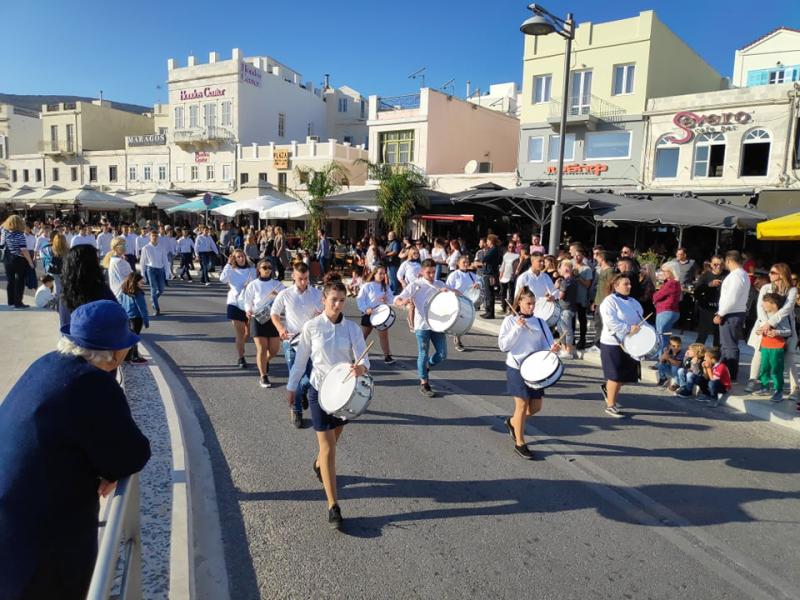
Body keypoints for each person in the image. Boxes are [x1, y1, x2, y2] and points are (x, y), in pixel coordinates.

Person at [0, 300, 150, 600]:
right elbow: (133, 452)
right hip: (41, 537)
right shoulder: (92, 384)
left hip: (12, 515)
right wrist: (111, 469)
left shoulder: (48, 363)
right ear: (114, 354)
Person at [286, 279, 368, 530]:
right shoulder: (312, 327)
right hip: (319, 392)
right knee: (329, 447)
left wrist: (361, 368)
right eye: (333, 300)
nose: (338, 304)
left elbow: (364, 358)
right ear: (323, 300)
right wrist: (292, 387)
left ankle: (318, 463)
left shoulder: (352, 328)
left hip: (343, 394)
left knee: (334, 438)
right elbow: (301, 360)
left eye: (342, 300)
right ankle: (333, 506)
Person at [498, 287, 560, 459]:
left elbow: (546, 344)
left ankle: (512, 422)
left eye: (533, 304)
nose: (532, 307)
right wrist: (517, 328)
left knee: (536, 407)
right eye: (528, 304)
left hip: (535, 369)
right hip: (516, 368)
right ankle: (520, 443)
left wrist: (553, 348)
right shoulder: (510, 321)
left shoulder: (540, 322)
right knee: (522, 406)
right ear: (519, 303)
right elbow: (503, 346)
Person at [271, 263, 323, 426]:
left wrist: (321, 314)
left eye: (306, 278)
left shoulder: (317, 294)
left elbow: (325, 314)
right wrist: (280, 329)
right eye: (300, 278)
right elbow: (274, 313)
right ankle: (296, 410)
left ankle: (300, 392)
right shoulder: (285, 294)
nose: (303, 282)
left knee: (312, 376)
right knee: (295, 375)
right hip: (292, 342)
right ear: (293, 276)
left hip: (313, 342)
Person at [395, 259, 449, 397]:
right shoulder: (415, 285)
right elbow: (397, 300)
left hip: (438, 324)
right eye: (428, 272)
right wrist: (403, 301)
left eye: (433, 272)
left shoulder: (440, 284)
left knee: (442, 354)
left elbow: (452, 294)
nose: (431, 275)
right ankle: (424, 383)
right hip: (421, 325)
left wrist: (452, 292)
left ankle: (427, 365)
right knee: (423, 353)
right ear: (422, 271)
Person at [745, 263, 799, 400]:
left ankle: (795, 388)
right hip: (764, 326)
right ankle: (754, 380)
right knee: (759, 353)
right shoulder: (766, 287)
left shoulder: (791, 290)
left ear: (782, 274)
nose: (770, 275)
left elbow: (786, 309)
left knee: (788, 358)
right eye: (770, 272)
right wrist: (765, 324)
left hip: (784, 327)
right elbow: (760, 307)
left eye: (773, 272)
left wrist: (771, 323)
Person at [598, 274, 644, 417]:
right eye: (625, 284)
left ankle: (608, 388)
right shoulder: (609, 301)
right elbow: (611, 322)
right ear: (616, 286)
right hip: (612, 343)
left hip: (630, 344)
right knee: (615, 376)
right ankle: (610, 405)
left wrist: (651, 333)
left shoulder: (634, 303)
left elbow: (641, 321)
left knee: (625, 376)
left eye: (629, 283)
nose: (629, 286)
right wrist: (628, 329)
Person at [242, 259, 286, 391]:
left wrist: (277, 296)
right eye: (264, 267)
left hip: (273, 319)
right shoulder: (253, 285)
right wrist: (248, 310)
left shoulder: (278, 285)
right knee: (261, 348)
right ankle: (263, 375)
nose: (267, 270)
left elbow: (286, 299)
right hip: (258, 318)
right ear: (259, 269)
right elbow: (247, 301)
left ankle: (265, 361)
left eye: (270, 267)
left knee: (274, 350)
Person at [59, 245, 118, 328]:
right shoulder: (101, 291)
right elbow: (118, 318)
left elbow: (64, 326)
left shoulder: (65, 294)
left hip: (72, 335)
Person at [714, 251, 750, 382]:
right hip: (735, 312)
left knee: (729, 345)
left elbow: (731, 299)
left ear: (728, 261)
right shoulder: (743, 274)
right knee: (726, 344)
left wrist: (720, 313)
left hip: (731, 313)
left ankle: (730, 373)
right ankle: (724, 371)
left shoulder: (736, 276)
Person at [220, 249, 257, 368]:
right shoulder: (231, 270)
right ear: (234, 259)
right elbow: (222, 279)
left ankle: (241, 347)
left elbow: (257, 285)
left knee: (248, 333)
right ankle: (241, 357)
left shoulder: (252, 270)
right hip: (234, 303)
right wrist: (228, 264)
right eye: (238, 257)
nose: (241, 258)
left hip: (249, 305)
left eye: (242, 256)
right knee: (240, 333)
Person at [356, 264, 396, 364]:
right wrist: (366, 309)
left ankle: (387, 356)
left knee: (384, 336)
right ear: (374, 274)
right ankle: (357, 354)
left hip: (380, 315)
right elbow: (360, 299)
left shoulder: (385, 286)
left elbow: (391, 299)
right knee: (363, 336)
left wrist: (387, 300)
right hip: (369, 313)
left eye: (384, 273)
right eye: (380, 273)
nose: (382, 275)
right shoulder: (367, 286)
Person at [445, 254, 482, 351]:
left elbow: (480, 281)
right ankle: (457, 340)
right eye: (463, 262)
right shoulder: (454, 275)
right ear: (458, 263)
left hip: (468, 302)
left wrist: (478, 284)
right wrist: (453, 293)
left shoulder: (471, 275)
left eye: (467, 262)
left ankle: (457, 335)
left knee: (464, 321)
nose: (466, 264)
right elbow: (447, 287)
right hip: (457, 301)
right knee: (459, 320)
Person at [1, 215, 35, 309]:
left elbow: (2, 244)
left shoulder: (5, 232)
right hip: (19, 259)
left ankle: (11, 301)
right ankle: (18, 303)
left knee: (10, 281)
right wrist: (30, 262)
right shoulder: (20, 235)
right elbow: (24, 250)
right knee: (20, 281)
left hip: (7, 259)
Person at [693, 256, 727, 347]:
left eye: (721, 264)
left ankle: (716, 354)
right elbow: (696, 292)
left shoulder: (727, 275)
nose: (718, 267)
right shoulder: (705, 276)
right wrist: (709, 285)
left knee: (719, 336)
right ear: (711, 265)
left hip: (721, 309)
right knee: (703, 334)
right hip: (706, 308)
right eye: (715, 264)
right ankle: (697, 352)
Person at [119, 272, 149, 364]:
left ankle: (130, 356)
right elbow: (142, 308)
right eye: (141, 282)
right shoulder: (138, 293)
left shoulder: (124, 292)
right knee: (134, 338)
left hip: (127, 317)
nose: (143, 283)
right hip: (137, 318)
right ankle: (132, 357)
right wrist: (146, 320)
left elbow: (120, 304)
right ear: (135, 282)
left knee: (130, 337)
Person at [139, 230, 170, 316]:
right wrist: (143, 274)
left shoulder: (162, 247)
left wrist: (167, 273)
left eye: (156, 236)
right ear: (150, 237)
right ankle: (156, 309)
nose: (154, 237)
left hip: (160, 269)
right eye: (153, 236)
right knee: (153, 289)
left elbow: (165, 260)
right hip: (151, 269)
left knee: (161, 289)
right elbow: (142, 262)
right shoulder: (145, 248)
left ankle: (153, 298)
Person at [653, 264, 681, 353]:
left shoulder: (671, 283)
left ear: (672, 271)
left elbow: (657, 296)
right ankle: (664, 356)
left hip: (665, 311)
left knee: (661, 337)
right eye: (663, 271)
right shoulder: (675, 282)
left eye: (665, 271)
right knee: (665, 337)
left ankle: (661, 357)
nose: (663, 273)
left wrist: (654, 296)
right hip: (672, 311)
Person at [554, 259, 578, 359]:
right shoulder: (571, 280)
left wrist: (556, 287)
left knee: (566, 331)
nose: (559, 269)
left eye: (561, 267)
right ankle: (564, 349)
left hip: (566, 309)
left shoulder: (566, 281)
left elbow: (560, 296)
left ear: (566, 268)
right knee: (561, 330)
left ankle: (568, 351)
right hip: (566, 308)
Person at [478, 234, 501, 319]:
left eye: (487, 241)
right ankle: (488, 311)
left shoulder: (493, 249)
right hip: (490, 273)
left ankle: (490, 313)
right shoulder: (493, 249)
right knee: (488, 294)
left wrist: (484, 259)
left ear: (491, 241)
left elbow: (485, 259)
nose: (486, 242)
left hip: (490, 274)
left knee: (489, 294)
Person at [498, 241, 520, 313]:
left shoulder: (517, 256)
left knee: (511, 293)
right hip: (504, 276)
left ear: (515, 247)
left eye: (513, 247)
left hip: (512, 277)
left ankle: (510, 308)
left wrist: (515, 275)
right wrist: (500, 274)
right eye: (509, 247)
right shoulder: (506, 255)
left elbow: (517, 267)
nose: (511, 248)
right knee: (503, 292)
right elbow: (503, 265)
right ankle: (503, 307)